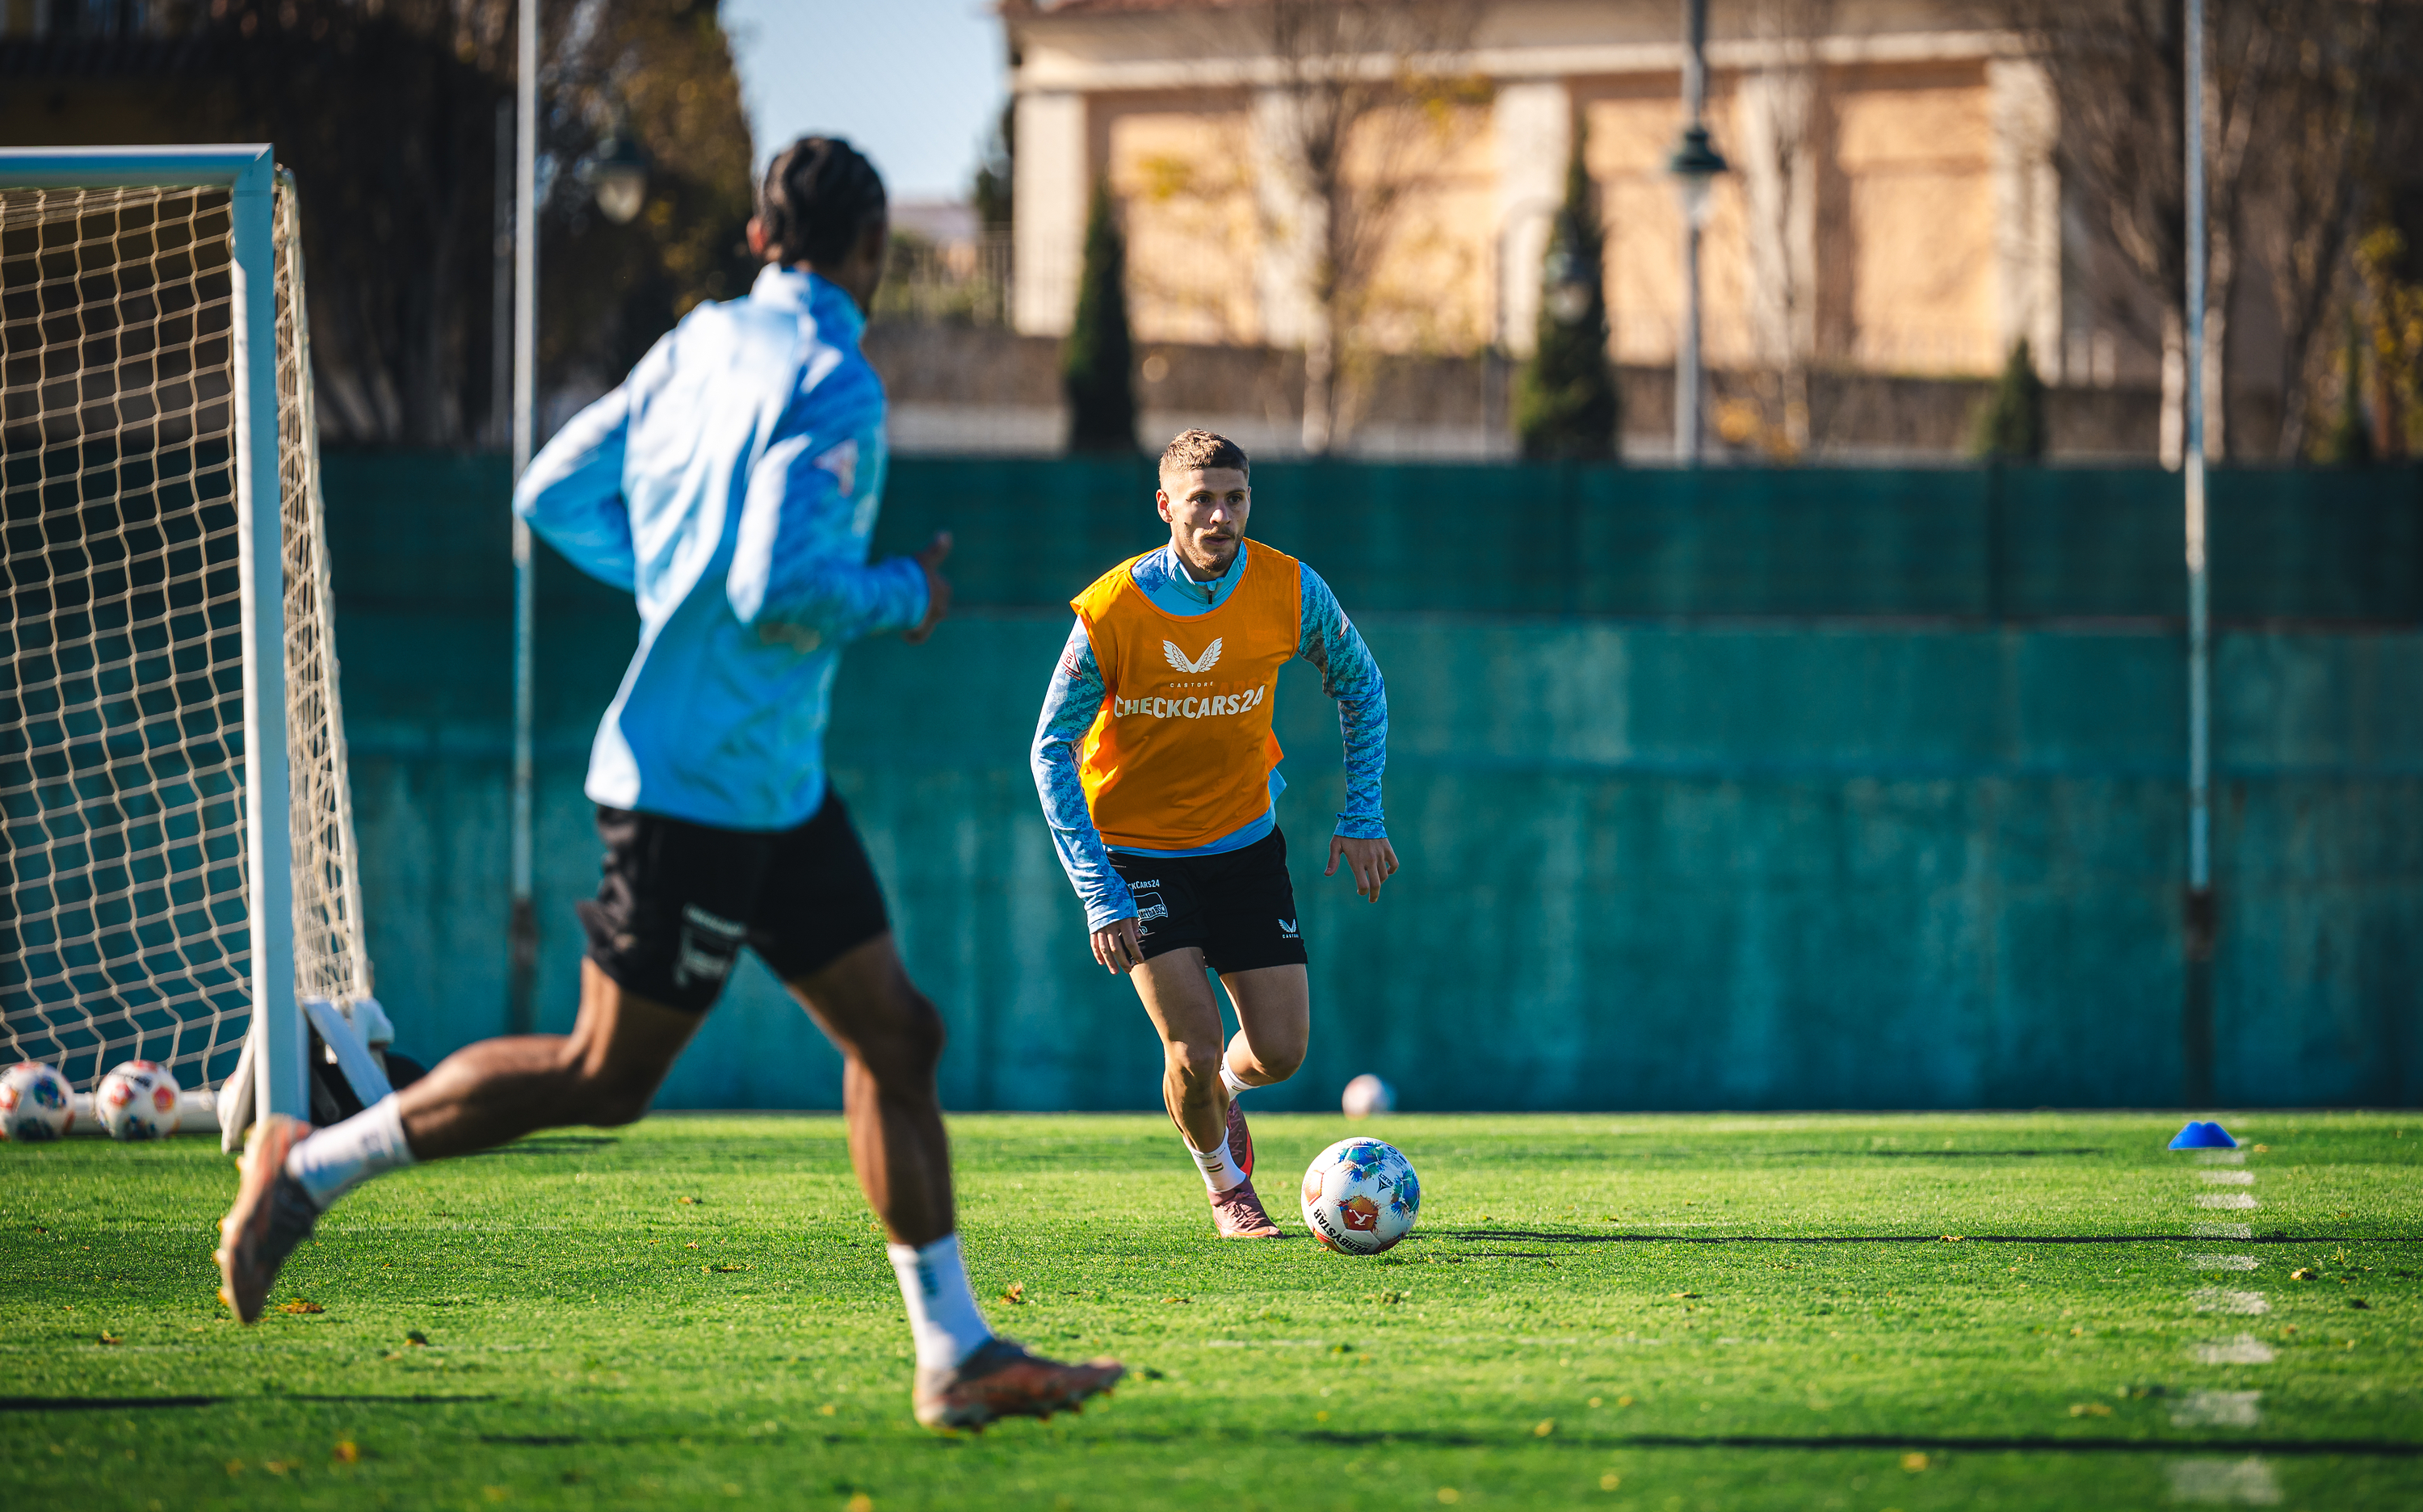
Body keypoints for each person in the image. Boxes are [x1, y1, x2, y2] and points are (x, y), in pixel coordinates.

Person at [216, 136, 1123, 1431]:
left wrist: (667, 576)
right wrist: (904, 592)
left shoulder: (701, 341)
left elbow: (552, 492)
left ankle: (953, 1352)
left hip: (769, 786)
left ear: (760, 239)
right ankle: (312, 1161)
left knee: (898, 1037)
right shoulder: (835, 379)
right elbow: (776, 587)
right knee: (603, 1074)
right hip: (698, 787)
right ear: (872, 251)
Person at [1030, 429, 1396, 1237]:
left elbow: (1362, 685)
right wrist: (1098, 891)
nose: (1221, 516)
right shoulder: (1113, 611)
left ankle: (1221, 1097)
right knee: (1192, 1052)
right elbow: (1050, 748)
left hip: (1244, 845)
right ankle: (1227, 1187)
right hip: (1137, 856)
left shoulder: (1289, 589)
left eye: (1236, 499)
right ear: (1166, 506)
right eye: (1202, 500)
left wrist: (1363, 814)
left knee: (1282, 1051)